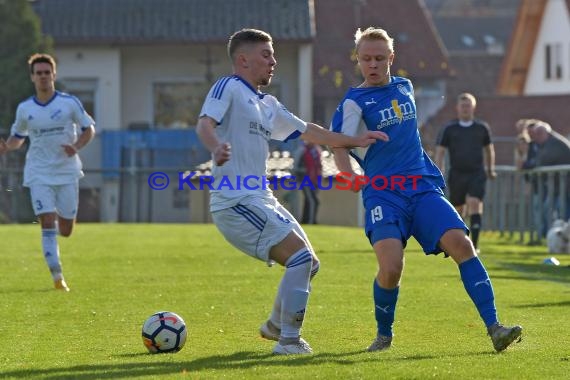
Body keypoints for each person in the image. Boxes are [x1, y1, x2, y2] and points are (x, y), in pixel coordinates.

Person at [195, 28, 388, 355]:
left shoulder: (266, 103)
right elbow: (204, 124)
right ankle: (288, 341)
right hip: (235, 201)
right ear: (243, 60)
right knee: (299, 258)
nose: (273, 61)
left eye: (273, 55)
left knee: (309, 263)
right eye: (266, 55)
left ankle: (274, 325)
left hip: (260, 198)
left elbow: (310, 131)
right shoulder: (228, 87)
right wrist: (215, 147)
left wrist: (354, 140)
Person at [330, 27, 522, 353]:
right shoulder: (353, 102)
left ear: (391, 58)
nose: (372, 64)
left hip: (422, 187)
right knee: (391, 267)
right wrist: (349, 175)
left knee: (462, 245)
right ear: (358, 60)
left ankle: (495, 328)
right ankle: (383, 335)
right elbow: (339, 145)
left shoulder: (405, 86)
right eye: (366, 59)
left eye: (379, 58)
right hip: (383, 193)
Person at [0, 53, 95, 292]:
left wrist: (76, 147)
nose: (43, 77)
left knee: (66, 230)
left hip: (66, 173)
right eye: (38, 73)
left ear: (54, 74)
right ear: (32, 77)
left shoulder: (69, 103)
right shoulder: (25, 109)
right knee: (48, 220)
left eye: (46, 72)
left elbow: (89, 128)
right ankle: (57, 277)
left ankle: (59, 235)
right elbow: (18, 138)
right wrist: (6, 147)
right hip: (38, 172)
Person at [434, 93, 496, 252]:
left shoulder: (481, 128)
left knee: (475, 203)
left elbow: (489, 149)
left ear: (473, 107)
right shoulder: (450, 128)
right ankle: (458, 242)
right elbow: (440, 151)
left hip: (476, 172)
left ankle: (475, 245)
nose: (465, 109)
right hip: (457, 173)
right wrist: (438, 170)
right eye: (463, 106)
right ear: (457, 108)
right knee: (458, 209)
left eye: (468, 105)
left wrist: (490, 168)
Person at [293, 141, 323, 224]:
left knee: (308, 200)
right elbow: (295, 167)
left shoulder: (317, 150)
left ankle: (305, 220)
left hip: (315, 180)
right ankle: (311, 221)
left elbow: (319, 166)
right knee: (313, 201)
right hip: (305, 179)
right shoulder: (302, 150)